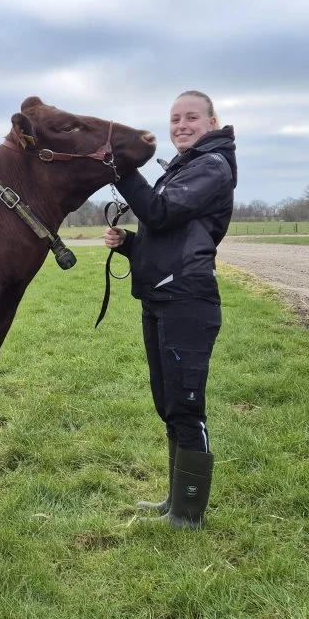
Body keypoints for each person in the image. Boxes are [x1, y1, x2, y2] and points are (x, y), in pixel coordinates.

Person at [103, 90, 237, 530]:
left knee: (186, 407)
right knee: (168, 403)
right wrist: (130, 245)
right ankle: (174, 501)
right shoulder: (185, 168)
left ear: (212, 122)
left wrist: (121, 169)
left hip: (188, 301)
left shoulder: (212, 168)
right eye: (175, 118)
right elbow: (169, 237)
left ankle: (188, 515)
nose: (181, 125)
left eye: (192, 117)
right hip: (162, 297)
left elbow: (159, 212)